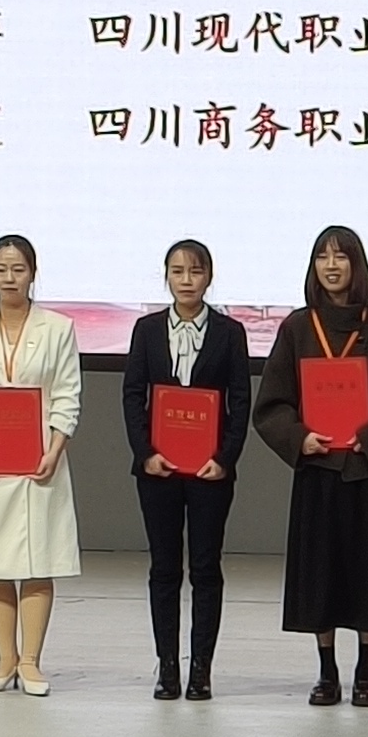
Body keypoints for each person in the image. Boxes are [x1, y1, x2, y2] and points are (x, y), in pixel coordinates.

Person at [255, 223, 368, 707]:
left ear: (356, 265)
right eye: (322, 257)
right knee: (319, 575)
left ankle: (365, 672)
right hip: (319, 469)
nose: (331, 266)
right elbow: (272, 404)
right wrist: (299, 438)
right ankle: (326, 671)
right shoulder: (297, 327)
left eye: (340, 256)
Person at [0, 233, 84, 693]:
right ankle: (4, 659)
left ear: (33, 274)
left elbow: (67, 393)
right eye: (1, 269)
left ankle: (31, 662)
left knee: (39, 557)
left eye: (18, 269)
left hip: (39, 459)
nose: (9, 278)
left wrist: (55, 448)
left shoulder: (58, 328)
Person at [123, 238, 254, 700]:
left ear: (209, 277)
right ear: (166, 277)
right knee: (164, 568)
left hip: (209, 473)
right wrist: (145, 453)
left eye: (195, 272)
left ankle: (201, 669)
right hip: (157, 470)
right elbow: (133, 395)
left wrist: (225, 458)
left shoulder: (229, 332)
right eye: (177, 272)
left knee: (205, 568)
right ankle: (167, 667)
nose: (186, 280)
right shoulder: (146, 329)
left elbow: (241, 400)